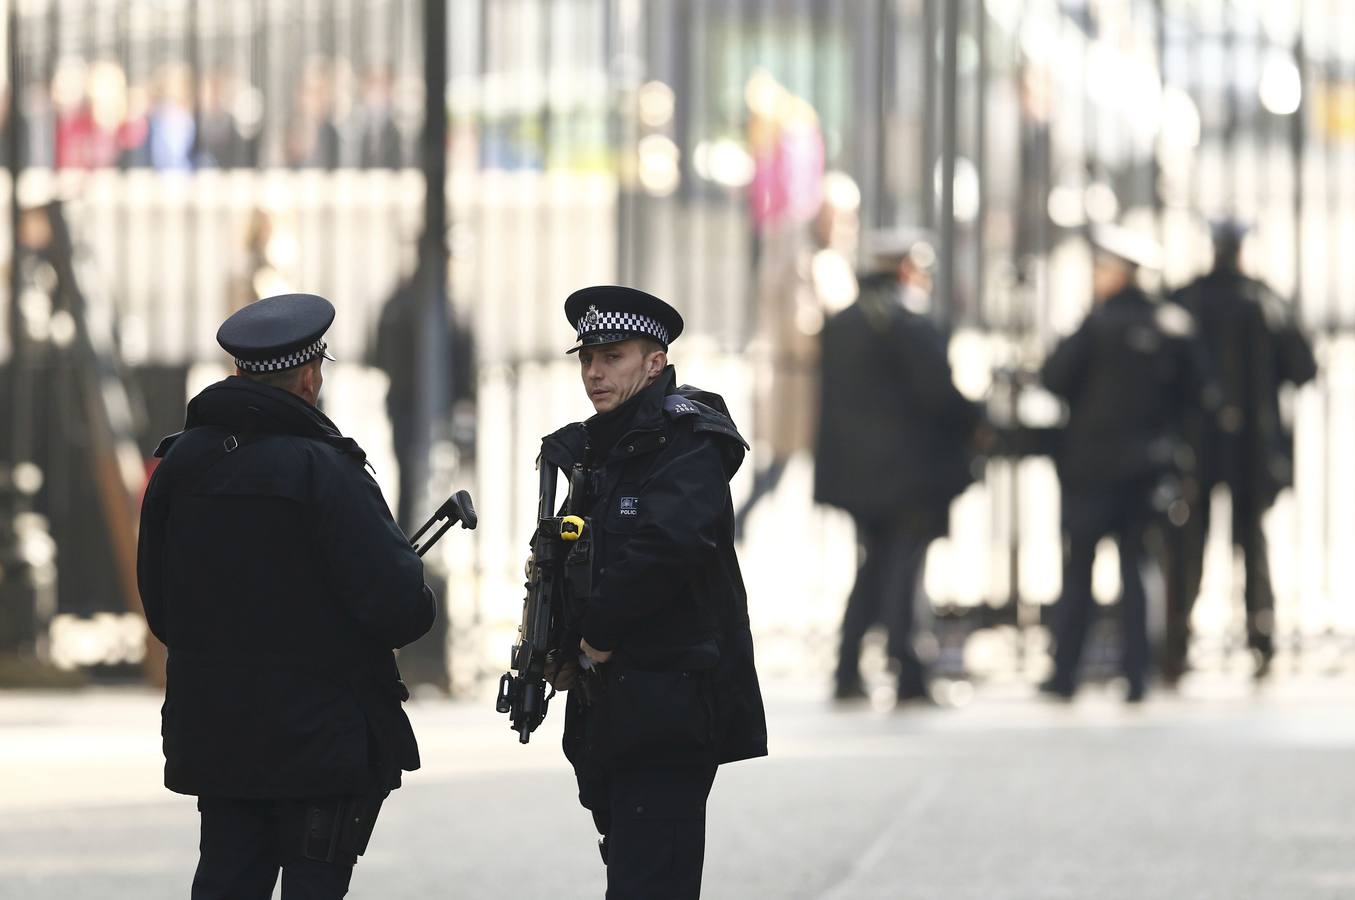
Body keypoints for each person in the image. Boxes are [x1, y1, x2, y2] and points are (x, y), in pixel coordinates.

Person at [136, 293, 436, 899]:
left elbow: (160, 605)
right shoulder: (325, 470)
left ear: (241, 371)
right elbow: (402, 609)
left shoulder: (181, 464)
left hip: (217, 735)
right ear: (307, 376)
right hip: (319, 748)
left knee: (225, 879)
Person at [543, 285, 767, 900]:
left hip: (669, 703)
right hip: (617, 709)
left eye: (612, 356)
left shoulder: (686, 441)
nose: (593, 372)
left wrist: (596, 636)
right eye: (586, 357)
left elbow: (666, 548)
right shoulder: (600, 446)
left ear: (655, 361)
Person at [813, 232, 987, 705]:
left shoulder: (844, 322)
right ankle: (908, 671)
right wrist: (979, 417)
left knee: (874, 567)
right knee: (902, 570)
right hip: (907, 474)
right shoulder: (908, 321)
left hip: (855, 475)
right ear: (908, 269)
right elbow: (940, 397)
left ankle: (849, 669)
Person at [1040, 225, 1204, 703]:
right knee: (1138, 571)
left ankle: (1065, 672)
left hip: (1092, 469)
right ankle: (1137, 674)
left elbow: (1054, 378)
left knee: (1080, 573)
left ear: (1119, 273)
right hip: (1147, 469)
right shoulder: (1172, 325)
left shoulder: (1097, 325)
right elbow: (1198, 397)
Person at [1165, 221, 1317, 682]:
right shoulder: (1265, 302)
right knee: (1251, 542)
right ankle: (1260, 634)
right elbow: (1304, 367)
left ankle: (1175, 640)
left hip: (1199, 443)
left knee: (1191, 543)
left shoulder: (1188, 300)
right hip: (1251, 443)